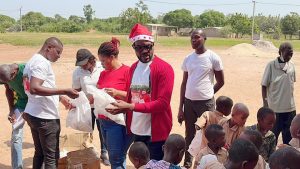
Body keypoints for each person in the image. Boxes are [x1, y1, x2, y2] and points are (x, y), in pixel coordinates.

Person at [106, 23, 175, 160]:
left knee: (156, 165)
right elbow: (134, 97)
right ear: (134, 48)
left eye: (147, 46)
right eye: (139, 47)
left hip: (155, 132)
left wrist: (130, 107)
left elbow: (163, 104)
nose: (144, 51)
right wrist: (124, 108)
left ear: (153, 45)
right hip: (137, 129)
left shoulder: (164, 69)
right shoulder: (133, 68)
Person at [22, 37, 79, 169]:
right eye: (58, 52)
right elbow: (35, 88)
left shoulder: (31, 61)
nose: (59, 56)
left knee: (40, 153)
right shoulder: (42, 63)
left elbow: (42, 86)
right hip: (45, 117)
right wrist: (65, 90)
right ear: (49, 48)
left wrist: (60, 98)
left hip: (34, 113)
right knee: (51, 157)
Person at [178, 29, 224, 168]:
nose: (193, 40)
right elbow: (184, 83)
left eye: (197, 37)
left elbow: (221, 81)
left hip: (206, 104)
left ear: (204, 38)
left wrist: (209, 94)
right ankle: (187, 164)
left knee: (208, 135)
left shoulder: (213, 57)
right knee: (190, 134)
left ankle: (208, 163)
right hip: (189, 103)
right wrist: (180, 108)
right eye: (191, 38)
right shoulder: (188, 58)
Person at [96, 37, 133, 169]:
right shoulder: (103, 74)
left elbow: (135, 97)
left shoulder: (128, 72)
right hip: (103, 121)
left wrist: (117, 92)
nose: (102, 64)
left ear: (112, 57)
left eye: (103, 61)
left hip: (118, 122)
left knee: (116, 159)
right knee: (116, 157)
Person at [72, 48, 109, 165]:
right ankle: (86, 154)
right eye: (80, 64)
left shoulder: (101, 67)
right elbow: (76, 90)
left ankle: (104, 153)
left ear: (91, 60)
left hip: (101, 105)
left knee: (103, 130)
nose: (82, 67)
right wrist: (75, 103)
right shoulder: (77, 72)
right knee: (86, 130)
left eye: (84, 64)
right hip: (87, 106)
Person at [261, 42, 296, 145]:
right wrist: (265, 102)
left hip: (290, 109)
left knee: (289, 139)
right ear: (280, 52)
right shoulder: (271, 66)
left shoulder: (292, 66)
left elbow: (290, 85)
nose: (289, 56)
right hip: (275, 109)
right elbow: (264, 85)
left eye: (291, 54)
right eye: (287, 54)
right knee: (272, 137)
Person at [0, 63, 28, 169]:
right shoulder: (3, 75)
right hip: (20, 104)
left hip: (35, 105)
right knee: (16, 137)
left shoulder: (26, 70)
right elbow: (8, 90)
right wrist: (11, 110)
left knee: (40, 136)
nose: (7, 83)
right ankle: (17, 167)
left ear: (14, 73)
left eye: (8, 81)